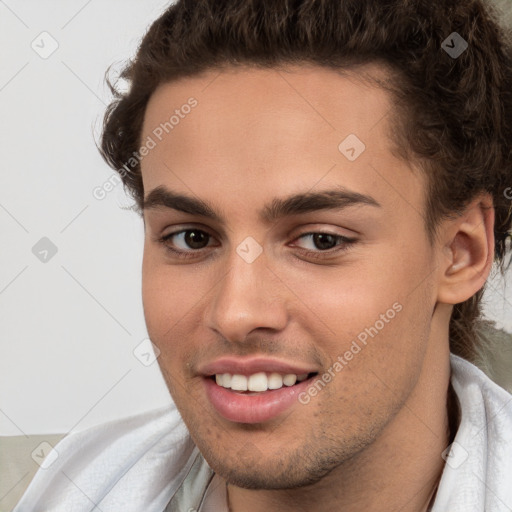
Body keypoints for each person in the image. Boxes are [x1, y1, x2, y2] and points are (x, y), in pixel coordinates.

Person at [12, 0, 512, 510]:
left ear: (461, 253)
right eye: (191, 238)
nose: (236, 314)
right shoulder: (72, 488)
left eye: (321, 240)